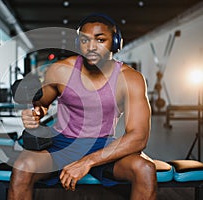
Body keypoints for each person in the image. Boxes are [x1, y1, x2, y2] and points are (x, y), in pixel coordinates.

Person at [8, 14, 157, 200]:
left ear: (115, 43)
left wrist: (87, 162)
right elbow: (41, 103)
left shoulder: (130, 79)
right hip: (61, 143)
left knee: (144, 169)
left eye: (100, 40)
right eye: (85, 40)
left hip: (103, 145)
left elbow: (138, 137)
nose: (91, 47)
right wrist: (35, 113)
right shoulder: (61, 70)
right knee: (23, 167)